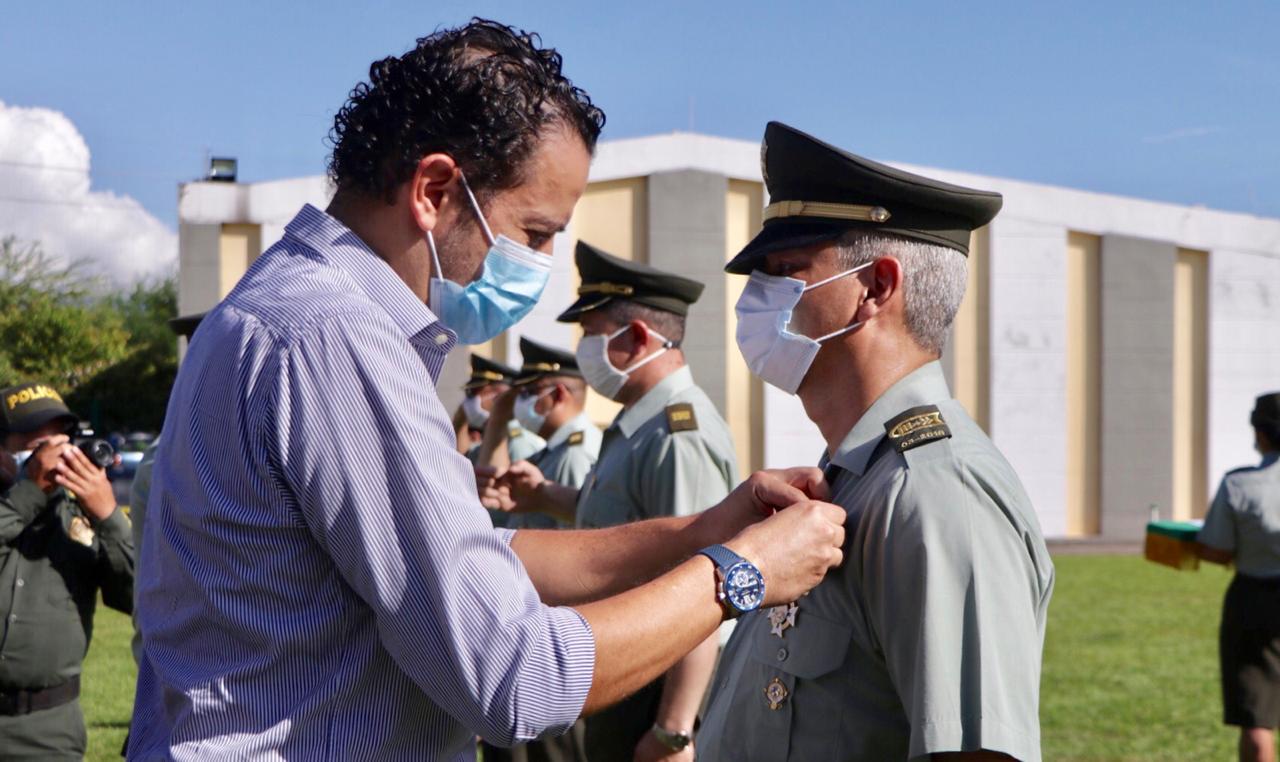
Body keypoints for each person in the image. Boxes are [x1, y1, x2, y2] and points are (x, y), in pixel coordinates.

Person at [128, 21, 846, 761]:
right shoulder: (335, 336)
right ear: (435, 191)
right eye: (533, 233)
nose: (540, 265)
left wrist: (700, 533)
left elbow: (478, 559)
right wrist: (743, 574)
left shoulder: (282, 307)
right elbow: (515, 679)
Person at [696, 122, 1056, 762]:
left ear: (877, 288)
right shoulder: (857, 477)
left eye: (786, 272)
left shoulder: (937, 491)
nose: (757, 300)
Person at [484, 240, 738, 761]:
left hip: (656, 688)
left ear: (638, 337)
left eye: (591, 334)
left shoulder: (676, 433)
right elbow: (628, 525)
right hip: (625, 666)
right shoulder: (637, 423)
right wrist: (546, 496)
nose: (583, 349)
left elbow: (705, 582)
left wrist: (673, 730)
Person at [479, 337, 599, 761]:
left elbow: (582, 553)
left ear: (558, 394)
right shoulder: (552, 453)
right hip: (536, 637)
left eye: (530, 394)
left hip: (557, 642)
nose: (522, 404)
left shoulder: (573, 455)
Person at [0, 382, 134, 760]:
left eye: (60, 441)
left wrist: (108, 515)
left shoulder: (82, 517)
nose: (53, 457)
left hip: (49, 731)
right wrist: (28, 493)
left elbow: (143, 599)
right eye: (36, 445)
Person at [1198, 392, 1280, 762]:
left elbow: (1216, 548)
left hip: (1255, 601)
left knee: (1257, 718)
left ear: (1260, 433)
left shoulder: (1239, 485)